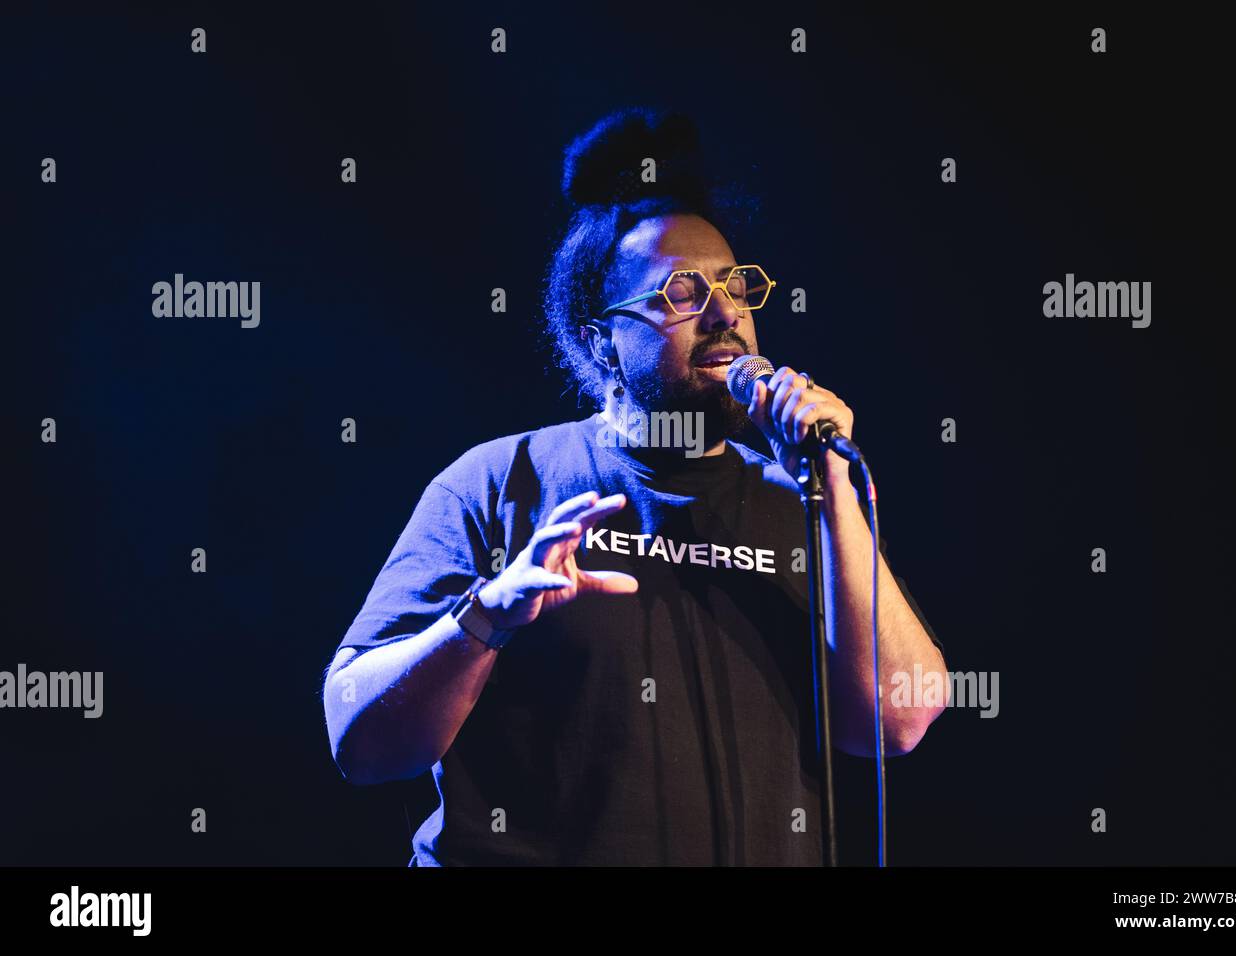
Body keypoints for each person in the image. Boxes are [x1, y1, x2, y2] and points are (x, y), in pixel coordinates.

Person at [322, 107, 948, 866]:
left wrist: (834, 489)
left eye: (735, 287)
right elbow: (360, 742)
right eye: (681, 294)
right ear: (601, 342)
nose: (725, 313)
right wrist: (484, 618)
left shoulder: (806, 507)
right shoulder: (499, 482)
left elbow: (898, 722)